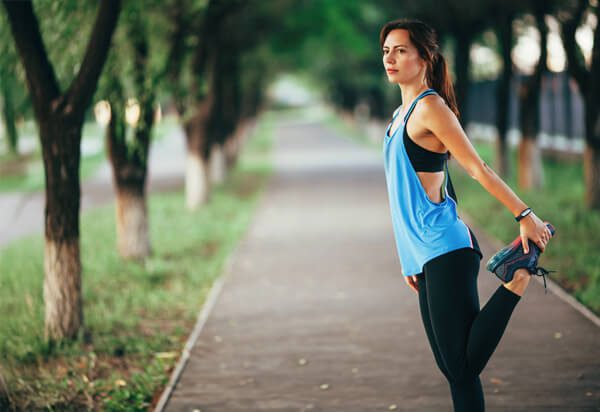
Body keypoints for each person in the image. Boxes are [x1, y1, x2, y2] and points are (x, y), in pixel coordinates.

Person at [380, 18, 554, 412]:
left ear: (424, 58)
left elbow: (478, 169)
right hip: (424, 254)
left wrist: (524, 214)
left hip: (447, 249)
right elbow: (402, 195)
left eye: (400, 50)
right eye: (386, 51)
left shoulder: (430, 108)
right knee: (453, 369)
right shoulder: (398, 115)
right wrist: (407, 256)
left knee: (461, 365)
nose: (390, 58)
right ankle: (515, 275)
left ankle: (517, 278)